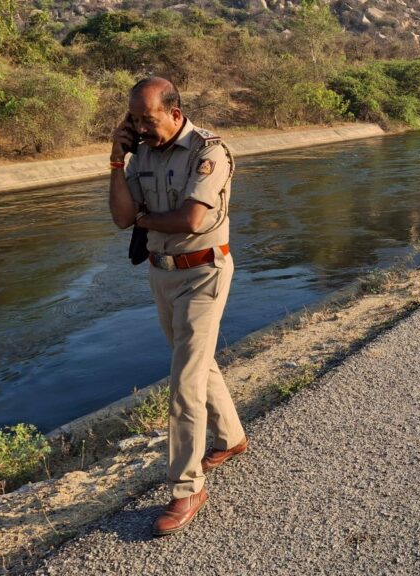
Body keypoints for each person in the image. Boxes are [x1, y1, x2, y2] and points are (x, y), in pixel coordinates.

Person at [108, 77, 247, 537]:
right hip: (161, 272)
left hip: (204, 271)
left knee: (184, 380)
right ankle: (231, 438)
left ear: (174, 111)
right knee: (196, 362)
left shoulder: (210, 152)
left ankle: (187, 487)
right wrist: (115, 160)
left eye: (147, 119)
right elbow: (119, 215)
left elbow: (191, 219)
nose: (140, 128)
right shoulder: (140, 154)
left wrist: (143, 219)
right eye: (134, 120)